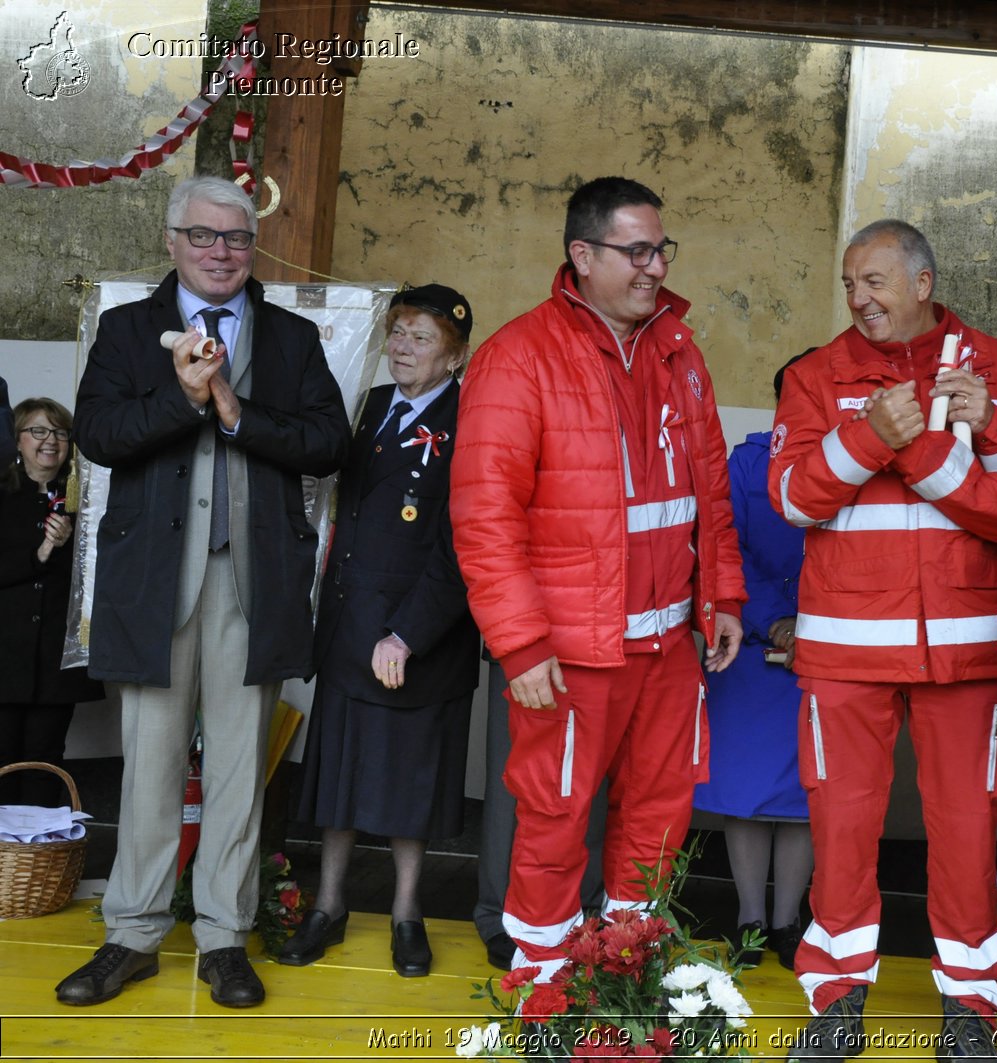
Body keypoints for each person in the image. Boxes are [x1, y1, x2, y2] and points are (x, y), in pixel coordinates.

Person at [57, 175, 349, 1008]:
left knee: (235, 771)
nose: (222, 252)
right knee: (147, 765)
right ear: (171, 239)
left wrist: (232, 411)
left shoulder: (292, 338)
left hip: (252, 585)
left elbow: (329, 443)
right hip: (155, 584)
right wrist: (181, 400)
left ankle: (224, 937)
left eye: (237, 239)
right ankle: (133, 933)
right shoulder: (124, 329)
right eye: (204, 236)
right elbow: (103, 436)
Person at [450, 176, 745, 985]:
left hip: (670, 646)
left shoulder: (681, 352)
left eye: (661, 248)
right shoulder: (519, 356)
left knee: (658, 818)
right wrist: (519, 642)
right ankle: (543, 989)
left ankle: (625, 978)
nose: (655, 267)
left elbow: (709, 491)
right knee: (553, 821)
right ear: (582, 255)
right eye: (636, 250)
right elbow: (485, 520)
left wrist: (721, 597)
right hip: (572, 650)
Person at [769, 218, 997, 1061]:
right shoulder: (816, 375)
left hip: (964, 647)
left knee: (965, 830)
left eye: (877, 280)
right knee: (842, 828)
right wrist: (865, 439)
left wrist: (967, 434)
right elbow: (791, 499)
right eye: (851, 283)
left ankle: (971, 1010)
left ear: (924, 282)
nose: (860, 298)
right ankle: (837, 1003)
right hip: (846, 647)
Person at [277, 285, 481, 978]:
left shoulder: (472, 420)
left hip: (414, 639)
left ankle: (406, 912)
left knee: (407, 787)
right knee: (336, 779)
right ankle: (328, 905)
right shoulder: (372, 407)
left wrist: (407, 634)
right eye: (397, 332)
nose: (401, 347)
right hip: (349, 628)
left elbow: (466, 545)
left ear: (454, 355)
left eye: (421, 338)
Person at [694, 351, 813, 971]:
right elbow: (724, 546)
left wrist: (814, 622)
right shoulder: (746, 463)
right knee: (745, 790)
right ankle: (748, 917)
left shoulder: (859, 467)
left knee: (804, 795)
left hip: (825, 648)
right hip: (745, 644)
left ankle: (790, 920)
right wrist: (777, 618)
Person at [0, 398, 104, 807]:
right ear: (18, 441)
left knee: (45, 760)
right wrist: (41, 552)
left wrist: (66, 547)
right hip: (6, 657)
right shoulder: (2, 496)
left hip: (57, 661)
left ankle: (38, 860)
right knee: (3, 759)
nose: (51, 441)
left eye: (61, 433)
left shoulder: (87, 500)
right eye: (38, 431)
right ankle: (5, 865)